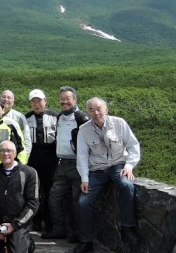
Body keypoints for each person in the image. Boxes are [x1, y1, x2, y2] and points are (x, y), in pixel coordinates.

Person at [74, 97, 141, 253]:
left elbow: (133, 146)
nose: (96, 113)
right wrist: (84, 179)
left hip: (117, 165)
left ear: (106, 109)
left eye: (99, 109)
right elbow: (82, 156)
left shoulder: (119, 123)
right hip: (96, 170)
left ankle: (127, 228)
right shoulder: (84, 130)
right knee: (84, 202)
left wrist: (129, 166)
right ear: (87, 112)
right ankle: (86, 241)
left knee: (127, 185)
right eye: (91, 109)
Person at [42, 86, 89, 243]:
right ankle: (58, 230)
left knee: (76, 201)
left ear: (75, 100)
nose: (64, 102)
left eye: (67, 99)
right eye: (62, 99)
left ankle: (77, 233)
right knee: (54, 198)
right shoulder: (60, 117)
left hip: (78, 164)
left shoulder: (81, 117)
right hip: (61, 163)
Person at [0, 140, 39, 253]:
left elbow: (33, 204)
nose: (5, 153)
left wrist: (14, 225)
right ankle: (3, 242)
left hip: (19, 223)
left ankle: (27, 242)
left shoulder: (29, 172)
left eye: (8, 151)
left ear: (15, 154)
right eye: (2, 150)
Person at [24, 89, 58, 232]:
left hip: (51, 161)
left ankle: (50, 223)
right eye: (33, 101)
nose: (36, 104)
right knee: (33, 192)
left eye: (39, 101)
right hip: (33, 160)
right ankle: (35, 221)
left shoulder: (55, 117)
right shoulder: (25, 118)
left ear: (45, 101)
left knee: (50, 192)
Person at [0, 90, 33, 163]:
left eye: (9, 98)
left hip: (14, 160)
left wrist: (23, 161)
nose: (6, 99)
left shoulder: (19, 117)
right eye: (3, 97)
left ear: (13, 101)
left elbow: (27, 141)